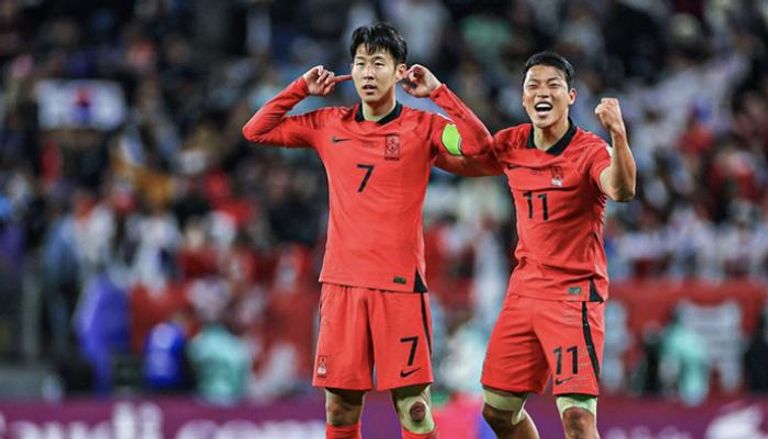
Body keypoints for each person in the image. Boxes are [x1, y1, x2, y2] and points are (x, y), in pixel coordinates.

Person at [242, 22, 493, 439]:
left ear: (399, 71)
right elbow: (256, 130)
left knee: (415, 409)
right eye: (360, 63)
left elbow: (479, 146)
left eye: (378, 63)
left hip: (400, 287)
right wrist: (301, 88)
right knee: (340, 408)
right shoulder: (329, 123)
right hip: (343, 284)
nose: (368, 73)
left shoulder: (424, 127)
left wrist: (438, 92)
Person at [436, 51, 637, 438]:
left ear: (571, 97)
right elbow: (466, 155)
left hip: (574, 294)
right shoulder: (511, 143)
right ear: (523, 97)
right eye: (533, 86)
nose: (542, 92)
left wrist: (619, 134)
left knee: (577, 419)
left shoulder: (590, 150)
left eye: (553, 85)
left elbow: (622, 190)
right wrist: (434, 102)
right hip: (525, 291)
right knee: (497, 412)